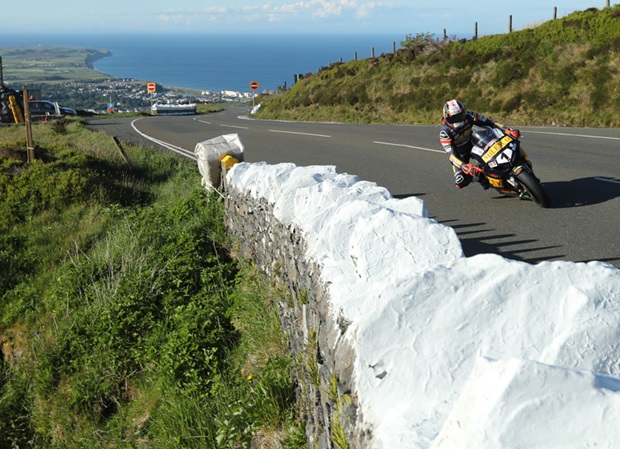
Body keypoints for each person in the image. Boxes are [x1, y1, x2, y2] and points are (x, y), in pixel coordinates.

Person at [439, 99, 520, 189]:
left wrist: (506, 129)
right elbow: (451, 156)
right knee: (460, 182)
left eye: (460, 116)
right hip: (460, 154)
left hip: (474, 142)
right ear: (447, 118)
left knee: (499, 147)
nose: (458, 120)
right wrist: (465, 166)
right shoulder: (445, 133)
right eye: (454, 118)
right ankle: (481, 178)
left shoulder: (469, 115)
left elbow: (490, 123)